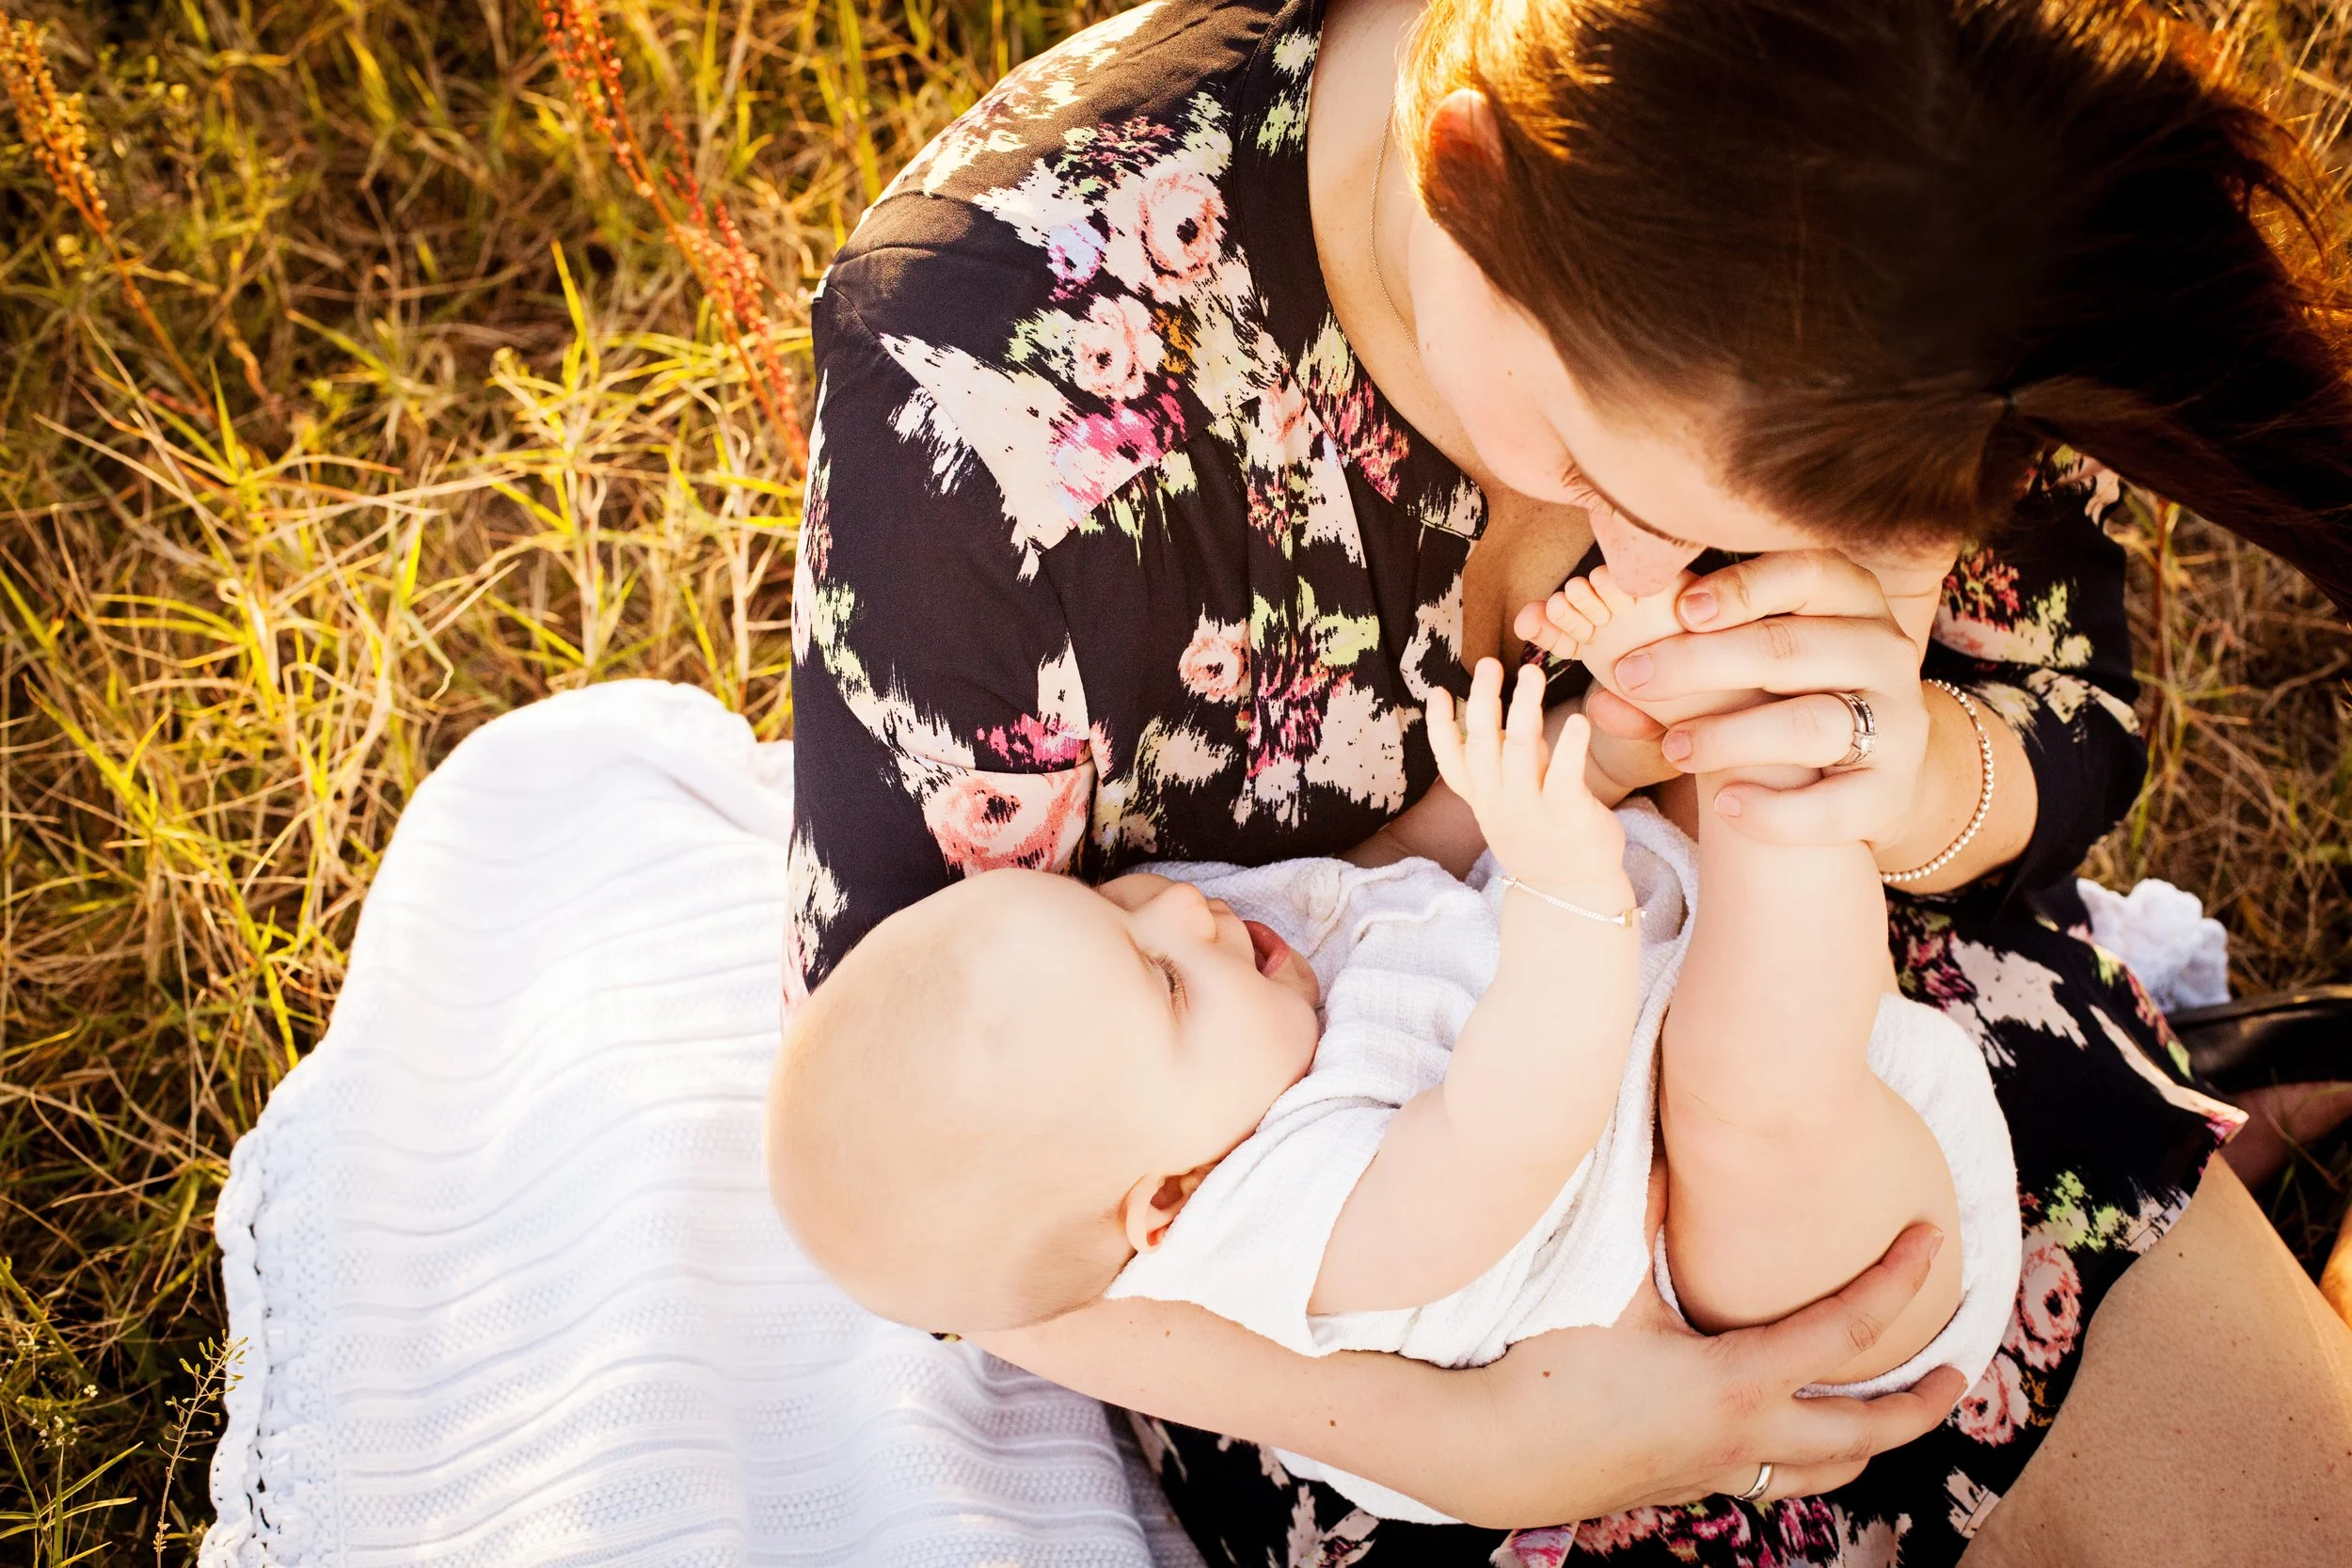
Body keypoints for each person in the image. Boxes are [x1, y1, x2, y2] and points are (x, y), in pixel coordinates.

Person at [785, 0, 2352, 1560]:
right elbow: (956, 1205)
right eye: (1604, 480)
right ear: (1460, 171)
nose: (1655, 565)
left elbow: (2054, 705)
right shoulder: (988, 392)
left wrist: (1889, 765)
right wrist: (1462, 1439)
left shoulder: (1868, 175)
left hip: (1825, 998)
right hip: (1395, 1333)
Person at [772, 611, 2021, 1528]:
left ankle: (1750, 732)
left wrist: (1586, 758)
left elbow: (1392, 863)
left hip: (1711, 1023)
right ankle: (1786, 771)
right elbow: (1508, 1128)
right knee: (1742, 1085)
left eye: (1118, 911)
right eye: (1159, 978)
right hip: (1769, 1283)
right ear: (1168, 1196)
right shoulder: (1273, 1225)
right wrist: (1562, 875)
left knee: (1726, 965)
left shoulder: (1213, 993)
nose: (1184, 921)